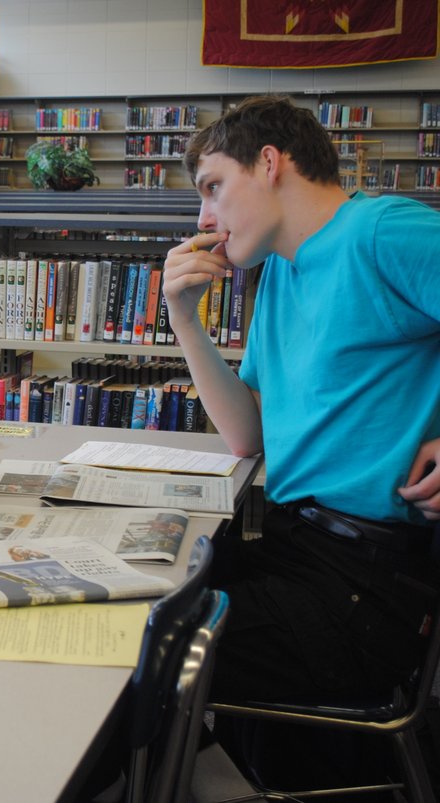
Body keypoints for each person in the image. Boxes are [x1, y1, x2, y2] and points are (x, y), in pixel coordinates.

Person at [162, 94, 440, 784]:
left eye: (213, 187)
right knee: (142, 595)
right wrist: (184, 321)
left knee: (150, 649)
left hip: (363, 585)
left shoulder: (379, 231)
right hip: (297, 552)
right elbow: (246, 433)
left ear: (269, 162)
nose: (203, 218)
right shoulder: (280, 272)